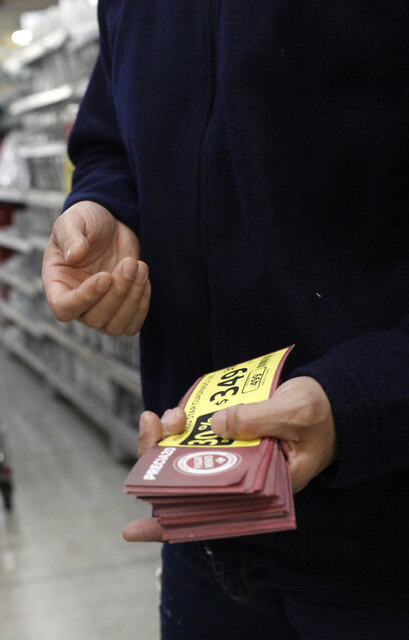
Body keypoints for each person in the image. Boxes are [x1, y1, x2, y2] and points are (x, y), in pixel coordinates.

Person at [42, 3, 409, 638]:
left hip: (384, 544)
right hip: (206, 530)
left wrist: (359, 399)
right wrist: (106, 202)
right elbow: (110, 134)